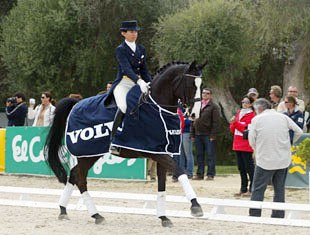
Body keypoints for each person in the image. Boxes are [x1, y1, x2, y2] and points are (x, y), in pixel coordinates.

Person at [248, 98, 303, 218]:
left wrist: (257, 148)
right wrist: (290, 143)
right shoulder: (282, 117)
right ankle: (278, 214)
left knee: (258, 189)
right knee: (279, 189)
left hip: (264, 159)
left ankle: (255, 214)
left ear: (259, 109)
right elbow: (299, 131)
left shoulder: (256, 119)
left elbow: (251, 140)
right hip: (283, 159)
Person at [109, 20, 152, 152]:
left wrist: (150, 82)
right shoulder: (121, 49)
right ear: (124, 33)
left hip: (139, 83)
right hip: (124, 82)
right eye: (131, 32)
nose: (134, 34)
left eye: (136, 32)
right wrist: (139, 81)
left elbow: (144, 69)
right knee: (123, 106)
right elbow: (126, 69)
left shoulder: (141, 49)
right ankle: (114, 141)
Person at [191, 88, 220, 180]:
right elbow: (193, 120)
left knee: (210, 154)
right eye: (203, 93)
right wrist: (192, 134)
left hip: (208, 134)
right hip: (198, 133)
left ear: (210, 95)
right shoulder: (197, 105)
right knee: (199, 155)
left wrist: (213, 135)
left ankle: (210, 174)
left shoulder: (214, 107)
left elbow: (216, 122)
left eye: (207, 93)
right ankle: (200, 174)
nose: (205, 95)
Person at [229, 95, 255, 197]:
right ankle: (243, 188)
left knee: (249, 167)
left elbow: (246, 130)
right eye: (243, 101)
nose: (244, 103)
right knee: (241, 168)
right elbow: (233, 129)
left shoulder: (252, 115)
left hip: (246, 145)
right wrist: (233, 124)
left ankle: (252, 188)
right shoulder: (239, 113)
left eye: (247, 102)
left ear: (251, 104)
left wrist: (235, 123)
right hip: (237, 143)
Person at [179, 108, 194, 179]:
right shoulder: (179, 107)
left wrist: (183, 121)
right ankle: (182, 172)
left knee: (188, 154)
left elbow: (191, 121)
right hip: (179, 132)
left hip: (186, 132)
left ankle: (189, 172)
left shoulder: (189, 109)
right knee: (181, 154)